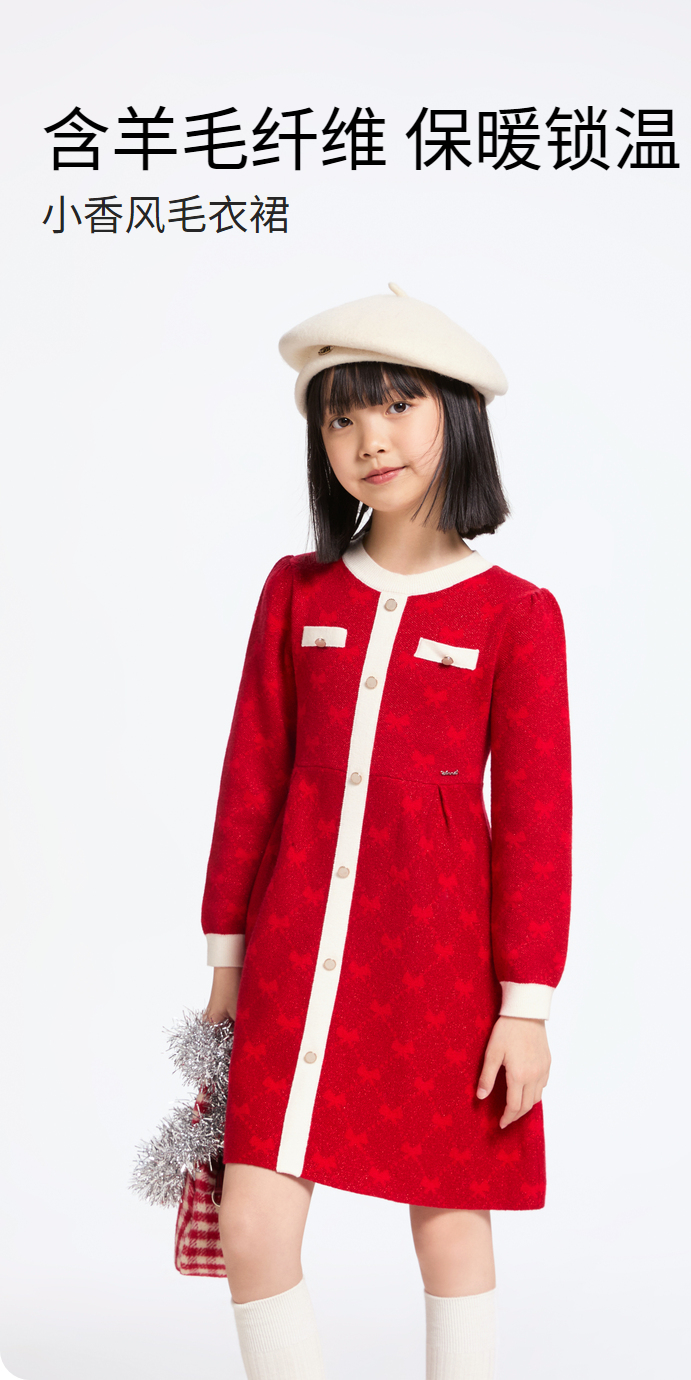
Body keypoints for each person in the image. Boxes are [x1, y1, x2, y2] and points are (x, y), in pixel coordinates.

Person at [202, 283, 572, 1380]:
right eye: (342, 417)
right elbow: (251, 779)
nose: (370, 439)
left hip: (441, 970)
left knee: (450, 1224)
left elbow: (540, 823)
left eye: (399, 405)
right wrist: (227, 962)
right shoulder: (297, 593)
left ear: (456, 414)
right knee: (251, 1220)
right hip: (293, 962)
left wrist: (526, 1008)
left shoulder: (517, 615)